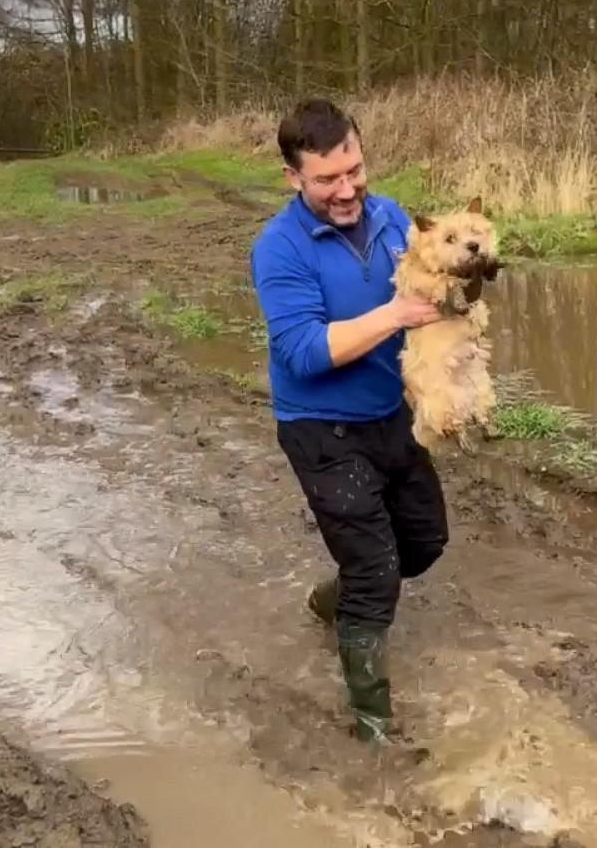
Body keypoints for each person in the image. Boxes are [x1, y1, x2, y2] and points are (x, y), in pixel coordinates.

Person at [249, 99, 448, 743]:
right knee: (374, 572)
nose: (346, 190)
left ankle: (327, 602)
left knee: (423, 543)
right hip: (321, 427)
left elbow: (437, 284)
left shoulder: (392, 217)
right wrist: (395, 314)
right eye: (326, 180)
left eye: (354, 171)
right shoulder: (278, 249)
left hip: (392, 412)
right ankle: (374, 730)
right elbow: (305, 353)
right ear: (293, 179)